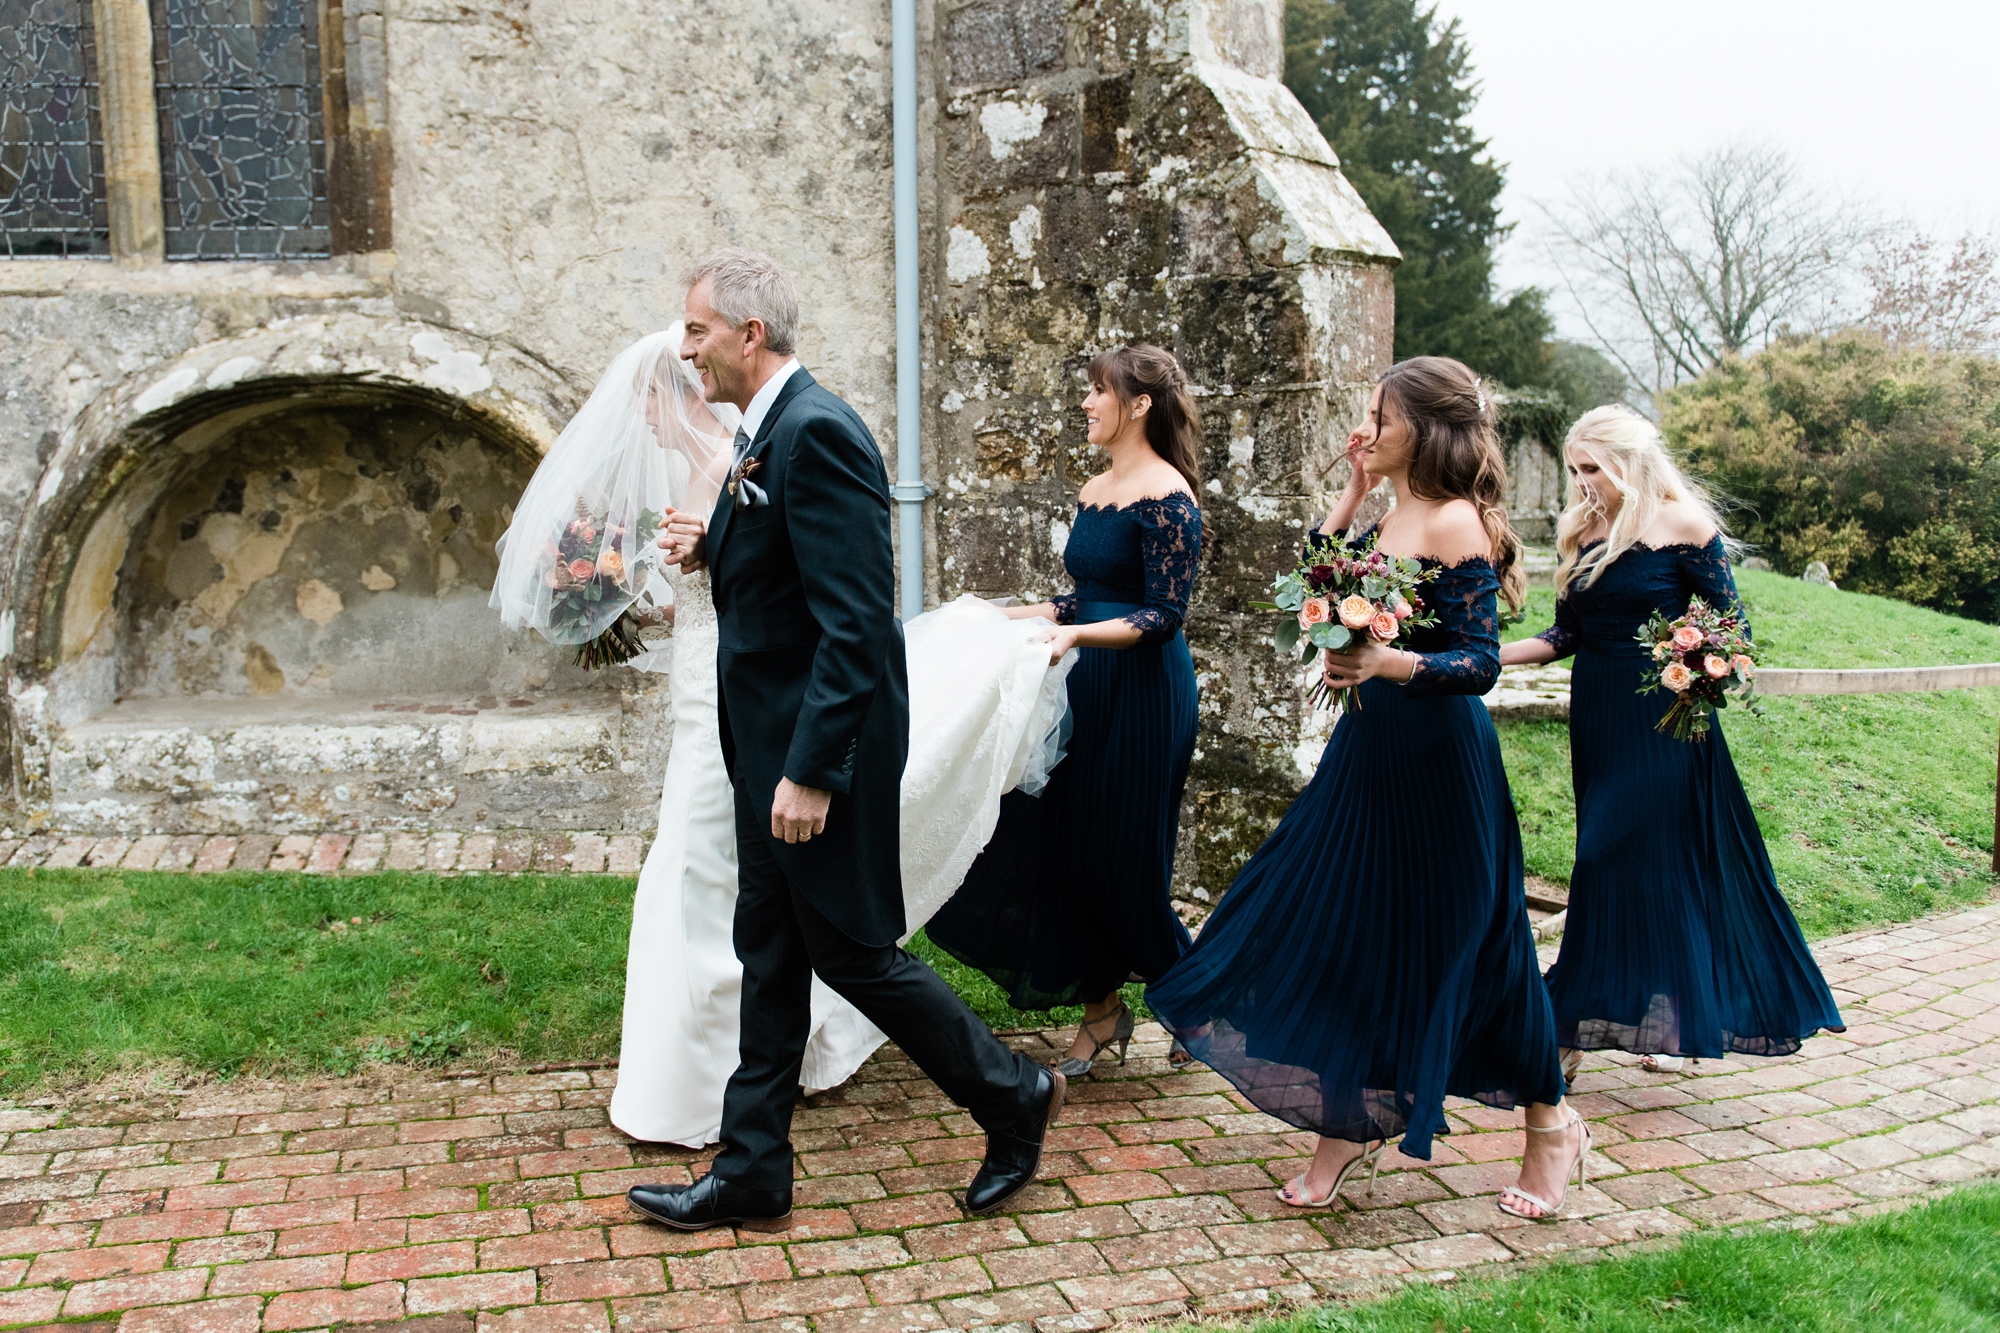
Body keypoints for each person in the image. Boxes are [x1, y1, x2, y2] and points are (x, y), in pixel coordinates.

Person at [621, 249, 1063, 1229]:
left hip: (816, 760)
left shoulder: (816, 433)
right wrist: (714, 542)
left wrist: (813, 771)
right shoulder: (761, 432)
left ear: (747, 333)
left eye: (694, 330)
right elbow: (786, 577)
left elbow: (856, 622)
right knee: (770, 950)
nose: (683, 347)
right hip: (766, 753)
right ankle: (752, 1171)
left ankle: (1011, 1095)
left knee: (855, 954)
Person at [1147, 356, 1583, 1222]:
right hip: (1370, 754)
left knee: (1481, 949)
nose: (1368, 429)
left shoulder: (1456, 521)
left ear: (1422, 428)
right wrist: (1351, 490)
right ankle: (1344, 1126)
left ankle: (1550, 1124)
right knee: (1346, 927)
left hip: (1440, 768)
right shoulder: (1394, 509)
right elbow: (1322, 574)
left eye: (1380, 418)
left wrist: (1392, 660)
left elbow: (1482, 662)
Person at [1498, 405, 1843, 1076]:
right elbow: (1565, 635)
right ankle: (1633, 1017)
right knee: (1614, 864)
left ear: (1631, 462)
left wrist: (1694, 660)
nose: (1581, 483)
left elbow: (1732, 629)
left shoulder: (1685, 525)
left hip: (1666, 720)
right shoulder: (1581, 532)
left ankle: (1574, 1027)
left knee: (1614, 857)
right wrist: (1490, 654)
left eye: (1592, 468)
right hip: (1599, 715)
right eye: (1574, 469)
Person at [925, 344, 1203, 1077]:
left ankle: (1198, 994)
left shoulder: (1170, 495)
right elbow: (1079, 596)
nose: (1086, 402)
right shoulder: (1095, 487)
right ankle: (1104, 1009)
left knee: (1124, 862)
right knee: (1069, 851)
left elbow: (1164, 614)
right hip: (1086, 689)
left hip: (1144, 695)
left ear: (1139, 404)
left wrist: (1074, 633)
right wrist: (998, 615)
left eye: (1098, 391)